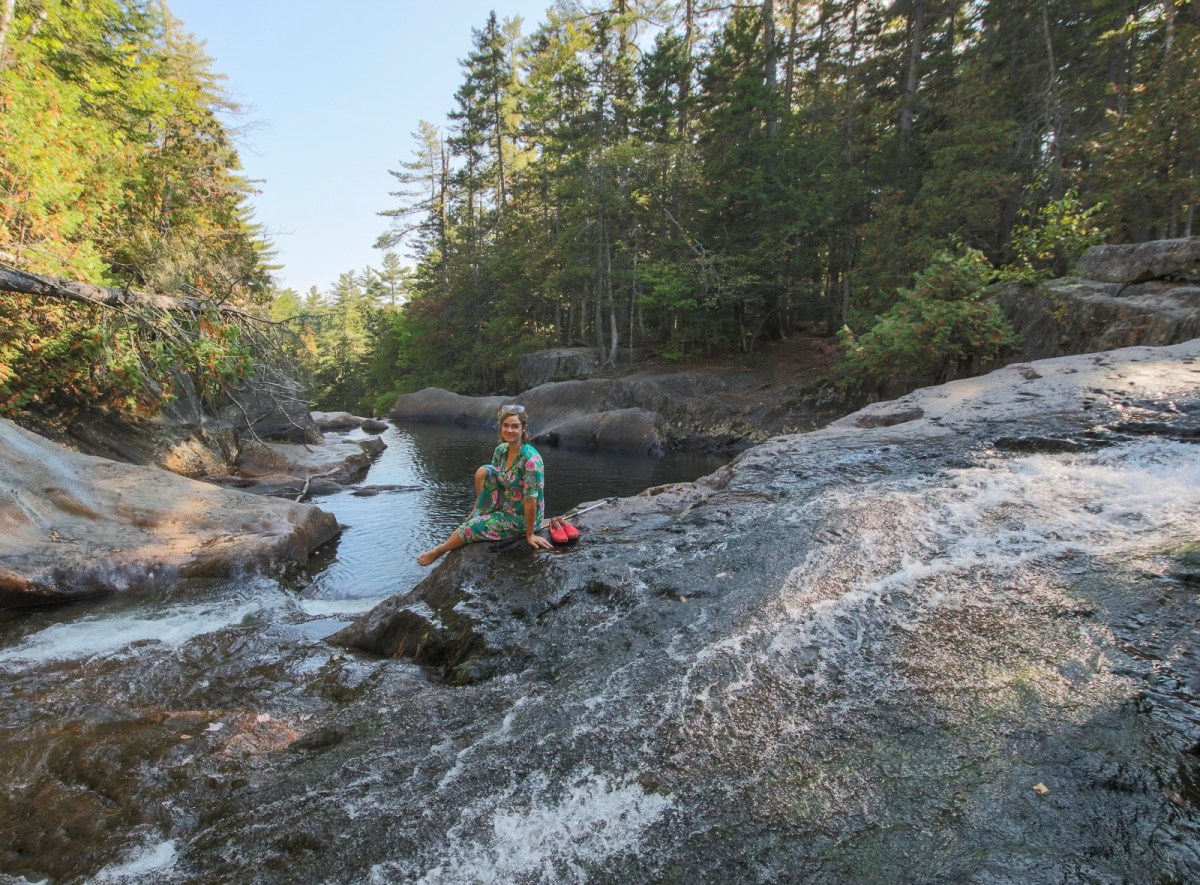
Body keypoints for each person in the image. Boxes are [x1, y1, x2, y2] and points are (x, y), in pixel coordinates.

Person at [416, 404, 554, 567]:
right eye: (506, 425)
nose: (509, 430)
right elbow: (495, 477)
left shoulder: (531, 461)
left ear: (523, 428)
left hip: (522, 517)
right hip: (507, 501)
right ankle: (483, 510)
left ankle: (439, 550)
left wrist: (530, 534)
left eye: (515, 426)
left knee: (472, 527)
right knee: (484, 470)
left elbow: (531, 500)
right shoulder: (501, 450)